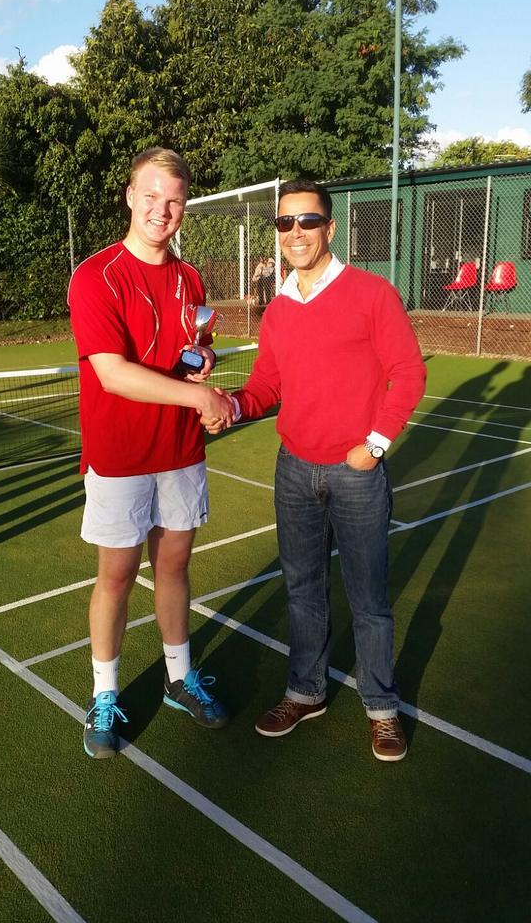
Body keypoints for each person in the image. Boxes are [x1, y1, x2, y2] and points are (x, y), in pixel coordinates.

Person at [202, 178, 425, 762]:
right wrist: (231, 405)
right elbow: (267, 385)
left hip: (356, 474)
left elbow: (409, 373)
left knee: (370, 599)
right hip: (294, 469)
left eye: (306, 221)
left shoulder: (372, 293)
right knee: (303, 592)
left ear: (330, 227)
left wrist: (373, 445)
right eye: (284, 224)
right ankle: (305, 692)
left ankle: (381, 708)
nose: (295, 233)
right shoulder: (277, 310)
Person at [68, 147, 234, 759]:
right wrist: (205, 400)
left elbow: (195, 346)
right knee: (115, 575)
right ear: (130, 196)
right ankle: (105, 693)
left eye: (174, 200)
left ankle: (178, 677)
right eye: (151, 196)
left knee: (173, 567)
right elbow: (113, 374)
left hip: (181, 452)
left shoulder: (191, 279)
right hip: (120, 456)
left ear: (184, 206)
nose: (161, 210)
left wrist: (203, 366)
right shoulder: (96, 276)